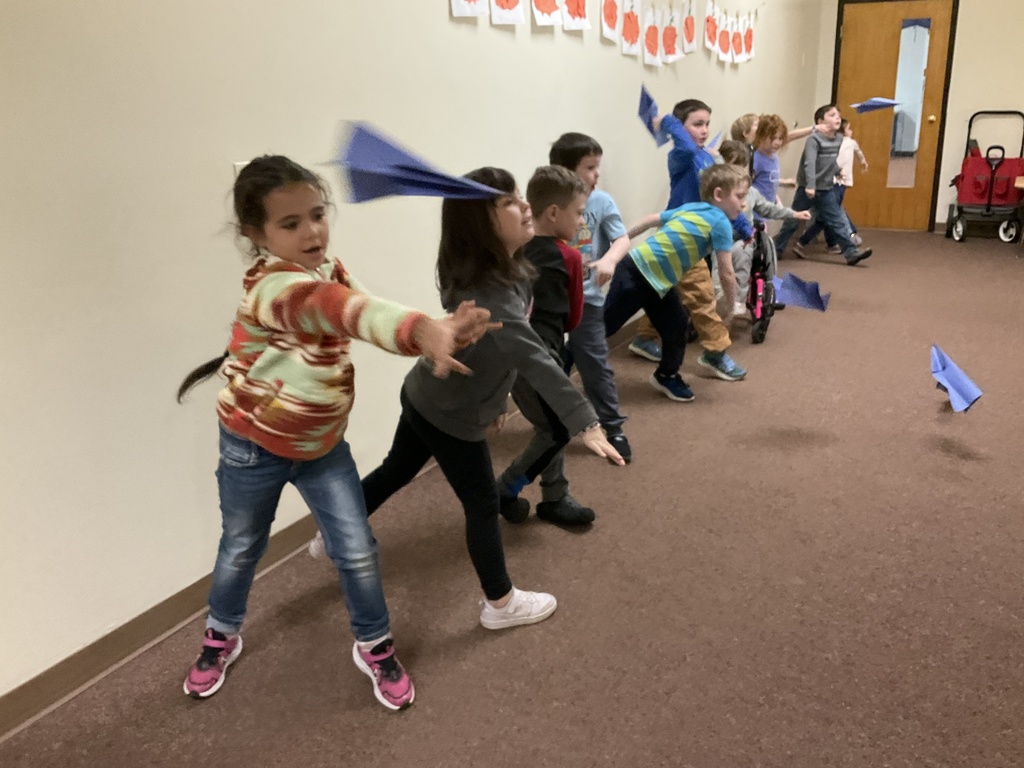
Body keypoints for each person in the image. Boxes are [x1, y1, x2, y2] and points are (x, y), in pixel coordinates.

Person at [176, 156, 496, 710]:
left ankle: (374, 645)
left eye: (318, 215)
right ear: (256, 235)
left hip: (321, 448)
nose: (312, 231)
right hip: (252, 449)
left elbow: (363, 311)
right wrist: (425, 330)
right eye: (291, 223)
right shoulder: (272, 288)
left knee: (357, 551)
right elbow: (332, 309)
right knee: (240, 549)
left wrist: (431, 331)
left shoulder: (332, 272)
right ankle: (220, 636)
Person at [359, 167, 624, 632]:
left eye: (520, 197)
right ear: (481, 224)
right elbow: (536, 359)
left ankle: (335, 529)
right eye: (510, 202)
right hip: (447, 412)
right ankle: (500, 604)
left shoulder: (509, 270)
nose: (524, 207)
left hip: (425, 394)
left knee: (396, 469)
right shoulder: (492, 292)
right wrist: (586, 421)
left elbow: (498, 355)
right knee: (482, 504)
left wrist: (499, 402)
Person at [492, 165, 598, 525]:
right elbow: (573, 319)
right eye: (580, 213)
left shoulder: (515, 251)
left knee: (548, 425)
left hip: (512, 357)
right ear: (554, 213)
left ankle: (555, 495)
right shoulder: (569, 257)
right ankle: (505, 489)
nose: (582, 222)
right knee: (559, 429)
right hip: (543, 360)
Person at [628, 100, 750, 383]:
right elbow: (684, 146)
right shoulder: (682, 156)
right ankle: (716, 352)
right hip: (681, 240)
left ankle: (644, 337)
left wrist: (744, 229)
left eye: (707, 123)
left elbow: (727, 199)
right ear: (681, 128)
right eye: (697, 124)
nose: (705, 130)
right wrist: (667, 122)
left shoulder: (707, 159)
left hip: (692, 240)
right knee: (703, 299)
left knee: (663, 290)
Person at [605, 164, 746, 402]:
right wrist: (733, 305)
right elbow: (727, 273)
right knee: (604, 326)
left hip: (656, 281)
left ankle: (666, 375)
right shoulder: (720, 222)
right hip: (637, 273)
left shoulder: (693, 208)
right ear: (719, 195)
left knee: (677, 324)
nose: (744, 204)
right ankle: (562, 364)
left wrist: (622, 239)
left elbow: (651, 220)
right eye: (740, 196)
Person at [548, 132, 633, 464]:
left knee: (595, 364)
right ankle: (555, 420)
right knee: (549, 360)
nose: (597, 175)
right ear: (567, 171)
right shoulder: (548, 205)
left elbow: (621, 238)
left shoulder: (602, 202)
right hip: (550, 301)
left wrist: (610, 260)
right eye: (590, 167)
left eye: (598, 167)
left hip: (588, 298)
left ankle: (612, 426)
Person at [717, 140, 811, 314]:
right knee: (717, 258)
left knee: (746, 250)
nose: (737, 171)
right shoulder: (716, 193)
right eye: (732, 166)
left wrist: (793, 213)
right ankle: (718, 299)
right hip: (719, 240)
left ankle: (739, 298)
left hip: (744, 239)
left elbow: (767, 208)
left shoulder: (751, 192)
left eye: (741, 166)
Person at [773, 105, 873, 266]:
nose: (837, 118)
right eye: (832, 115)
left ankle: (851, 253)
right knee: (793, 220)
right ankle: (777, 249)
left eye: (838, 115)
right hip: (808, 188)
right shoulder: (814, 139)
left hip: (826, 188)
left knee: (836, 220)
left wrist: (836, 171)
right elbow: (810, 163)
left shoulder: (838, 139)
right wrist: (810, 185)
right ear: (820, 121)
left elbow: (829, 161)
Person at [799, 118, 868, 252]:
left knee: (828, 214)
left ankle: (828, 242)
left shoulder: (848, 142)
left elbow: (858, 153)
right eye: (849, 128)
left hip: (841, 182)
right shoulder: (838, 142)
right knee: (832, 214)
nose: (851, 131)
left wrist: (863, 162)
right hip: (834, 182)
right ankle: (846, 238)